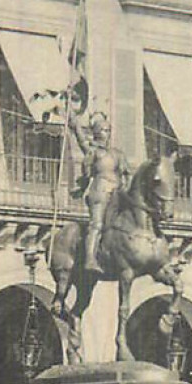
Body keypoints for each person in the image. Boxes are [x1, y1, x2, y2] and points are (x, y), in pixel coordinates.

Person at [70, 111, 123, 275]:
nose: (106, 134)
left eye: (108, 130)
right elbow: (80, 139)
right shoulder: (93, 151)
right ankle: (90, 259)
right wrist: (75, 123)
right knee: (97, 224)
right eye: (103, 130)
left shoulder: (117, 154)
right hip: (99, 191)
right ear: (96, 132)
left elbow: (126, 172)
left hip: (117, 192)